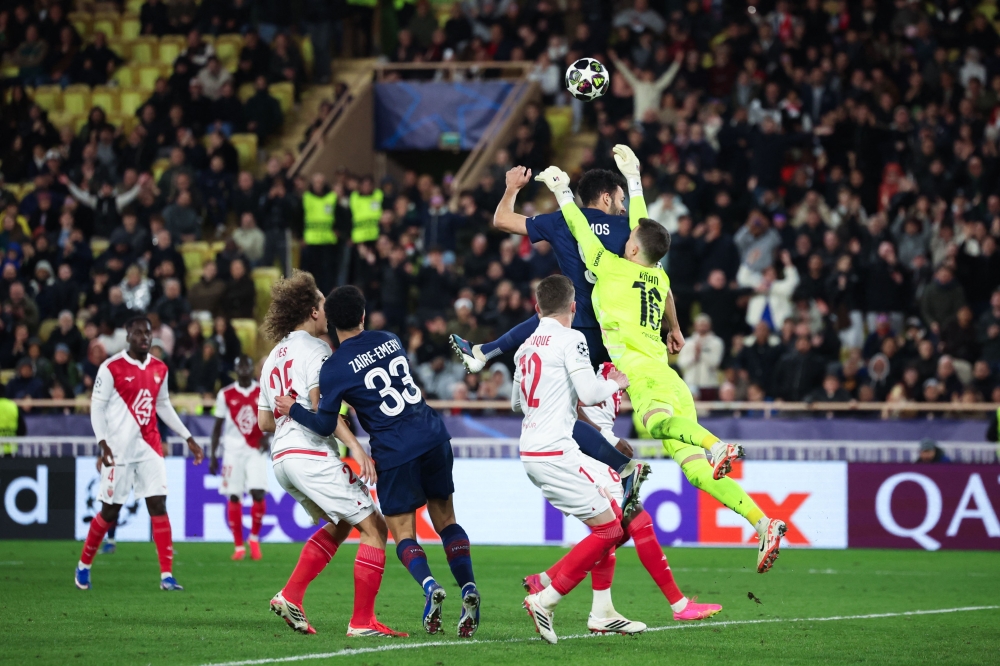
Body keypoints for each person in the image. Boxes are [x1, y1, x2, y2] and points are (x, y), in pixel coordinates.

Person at [535, 157, 786, 574]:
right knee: (696, 474)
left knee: (655, 424)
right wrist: (633, 179)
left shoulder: (612, 269)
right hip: (671, 377)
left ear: (631, 248)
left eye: (629, 237)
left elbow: (580, 228)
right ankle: (764, 523)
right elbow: (645, 227)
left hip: (645, 373)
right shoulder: (660, 276)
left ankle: (716, 445)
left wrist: (562, 190)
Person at [518, 279, 720, 642]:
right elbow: (590, 392)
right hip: (558, 450)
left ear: (537, 309)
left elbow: (518, 403)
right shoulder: (573, 341)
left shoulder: (525, 346)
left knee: (610, 523)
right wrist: (617, 383)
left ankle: (600, 610)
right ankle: (546, 597)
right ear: (575, 308)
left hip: (531, 449)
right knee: (612, 529)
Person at [275, 285, 481, 638]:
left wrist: (293, 409)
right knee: (446, 520)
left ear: (330, 323)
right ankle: (468, 588)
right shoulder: (391, 339)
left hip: (394, 449)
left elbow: (325, 423)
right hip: (432, 434)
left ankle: (430, 586)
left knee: (401, 532)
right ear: (363, 315)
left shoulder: (335, 366)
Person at [256, 271, 403, 638]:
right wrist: (355, 446)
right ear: (312, 312)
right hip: (311, 455)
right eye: (322, 304)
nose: (328, 311)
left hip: (282, 459)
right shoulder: (318, 351)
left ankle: (290, 595)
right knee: (374, 528)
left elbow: (263, 421)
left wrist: (291, 415)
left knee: (340, 523)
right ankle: (362, 622)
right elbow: (325, 414)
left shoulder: (272, 356)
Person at [75, 316, 204, 591]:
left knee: (158, 504)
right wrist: (102, 443)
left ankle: (167, 576)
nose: (144, 338)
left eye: (147, 333)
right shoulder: (111, 368)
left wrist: (188, 437)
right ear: (127, 335)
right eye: (138, 333)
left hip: (150, 447)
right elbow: (97, 408)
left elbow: (164, 406)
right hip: (118, 450)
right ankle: (83, 566)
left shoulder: (160, 368)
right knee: (110, 512)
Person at [210, 355, 268, 561]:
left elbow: (273, 419)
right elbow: (217, 427)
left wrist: (267, 437)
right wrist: (212, 455)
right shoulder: (225, 394)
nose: (244, 369)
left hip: (255, 449)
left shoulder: (263, 392)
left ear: (252, 368)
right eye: (240, 366)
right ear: (235, 370)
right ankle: (238, 546)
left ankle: (253, 538)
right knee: (234, 496)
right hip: (232, 452)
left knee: (258, 493)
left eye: (247, 365)